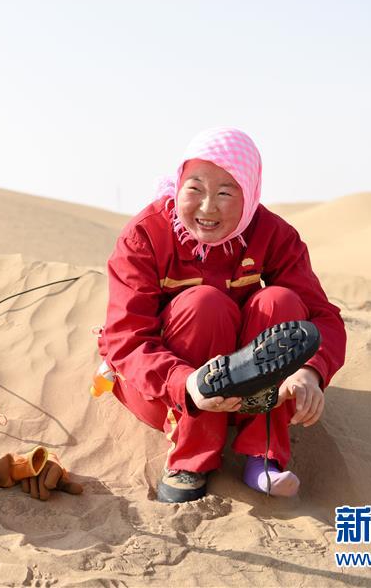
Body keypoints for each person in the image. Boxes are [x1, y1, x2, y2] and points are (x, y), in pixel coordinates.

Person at [98, 127, 346, 502]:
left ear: (250, 194)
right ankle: (189, 460)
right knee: (204, 304)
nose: (207, 207)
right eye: (194, 188)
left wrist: (310, 370)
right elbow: (125, 337)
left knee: (280, 301)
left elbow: (323, 317)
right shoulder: (144, 235)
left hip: (249, 397)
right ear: (178, 183)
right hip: (165, 391)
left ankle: (264, 455)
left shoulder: (273, 234)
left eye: (226, 193)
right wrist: (188, 384)